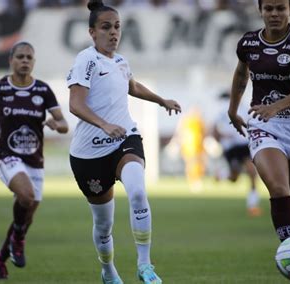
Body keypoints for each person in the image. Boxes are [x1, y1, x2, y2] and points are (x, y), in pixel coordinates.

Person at [66, 1, 181, 283]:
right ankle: (108, 271)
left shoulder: (120, 61)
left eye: (117, 27)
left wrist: (160, 100)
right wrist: (105, 125)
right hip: (88, 154)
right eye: (106, 27)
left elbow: (132, 86)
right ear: (92, 32)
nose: (113, 33)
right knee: (103, 225)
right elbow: (75, 105)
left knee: (138, 193)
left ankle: (145, 265)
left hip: (124, 140)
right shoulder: (86, 60)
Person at [228, 1, 290, 283]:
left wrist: (277, 106)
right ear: (260, 10)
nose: (274, 14)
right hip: (263, 125)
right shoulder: (247, 42)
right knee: (279, 189)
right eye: (268, 8)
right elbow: (242, 73)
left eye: (280, 8)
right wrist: (233, 109)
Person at [0, 41, 68, 280]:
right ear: (11, 60)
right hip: (6, 156)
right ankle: (18, 239)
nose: (25, 61)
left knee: (27, 216)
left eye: (29, 57)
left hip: (35, 161)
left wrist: (56, 124)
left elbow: (64, 124)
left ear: (34, 62)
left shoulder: (42, 90)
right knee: (26, 197)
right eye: (20, 56)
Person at [213, 92, 261, 216]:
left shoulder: (245, 107)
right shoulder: (223, 109)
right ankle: (223, 174)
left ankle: (253, 204)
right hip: (231, 148)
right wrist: (223, 137)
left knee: (252, 171)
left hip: (244, 145)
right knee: (234, 178)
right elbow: (214, 129)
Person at [176, 106, 207, 193]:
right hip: (189, 146)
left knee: (199, 163)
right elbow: (180, 132)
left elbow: (204, 132)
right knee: (191, 164)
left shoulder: (199, 121)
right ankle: (192, 181)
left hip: (198, 145)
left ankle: (197, 180)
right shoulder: (186, 120)